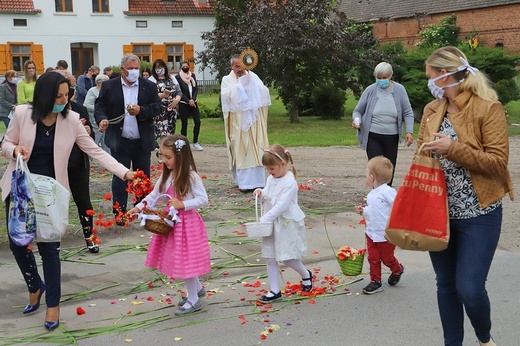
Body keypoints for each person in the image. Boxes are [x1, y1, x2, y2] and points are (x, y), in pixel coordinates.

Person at [0, 71, 134, 331]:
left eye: (66, 95)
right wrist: (14, 150)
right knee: (19, 244)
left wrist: (125, 173)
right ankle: (35, 286)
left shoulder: (71, 120)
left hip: (50, 196)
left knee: (49, 250)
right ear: (44, 95)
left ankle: (53, 305)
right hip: (21, 191)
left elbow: (95, 151)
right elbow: (6, 142)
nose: (64, 100)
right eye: (58, 96)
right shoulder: (22, 115)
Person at [419, 46, 513, 346]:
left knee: (470, 288)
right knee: (446, 285)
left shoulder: (488, 108)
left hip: (479, 213)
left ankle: (484, 338)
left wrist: (453, 150)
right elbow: (421, 155)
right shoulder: (431, 110)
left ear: (449, 76)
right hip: (439, 212)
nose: (430, 83)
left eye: (432, 77)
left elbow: (498, 163)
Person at [128, 134, 211, 315]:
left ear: (180, 156)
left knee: (184, 261)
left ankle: (194, 300)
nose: (164, 160)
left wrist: (183, 204)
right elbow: (153, 197)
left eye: (168, 157)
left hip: (187, 226)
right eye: (161, 156)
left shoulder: (191, 177)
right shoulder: (167, 176)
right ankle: (196, 289)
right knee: (182, 259)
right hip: (173, 225)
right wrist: (138, 208)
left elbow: (203, 199)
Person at [94, 54, 161, 223]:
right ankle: (120, 212)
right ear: (122, 69)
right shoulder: (110, 86)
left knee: (142, 177)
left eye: (136, 68)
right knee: (120, 177)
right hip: (119, 140)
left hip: (142, 141)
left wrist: (141, 111)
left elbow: (157, 107)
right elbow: (100, 106)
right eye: (131, 68)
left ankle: (141, 210)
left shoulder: (148, 86)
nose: (134, 72)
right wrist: (102, 119)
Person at [253, 144, 311, 303]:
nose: (269, 172)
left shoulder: (290, 182)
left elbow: (282, 206)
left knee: (286, 257)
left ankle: (306, 274)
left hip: (285, 223)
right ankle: (274, 290)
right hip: (271, 222)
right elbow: (269, 192)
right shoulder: (272, 178)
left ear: (283, 164)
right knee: (270, 256)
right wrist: (261, 192)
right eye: (267, 169)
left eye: (271, 168)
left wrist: (265, 218)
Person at [55, 70, 99, 253]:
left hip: (78, 163)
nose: (65, 96)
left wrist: (88, 130)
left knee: (84, 202)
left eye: (68, 91)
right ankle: (53, 240)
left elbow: (92, 136)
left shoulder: (79, 109)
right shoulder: (50, 112)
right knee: (56, 202)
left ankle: (90, 237)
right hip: (57, 164)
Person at [352, 62, 414, 186]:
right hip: (373, 135)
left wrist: (409, 131)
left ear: (390, 76)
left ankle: (386, 194)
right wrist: (357, 120)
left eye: (384, 78)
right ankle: (376, 194)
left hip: (392, 136)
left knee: (388, 167)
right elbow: (358, 110)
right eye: (379, 78)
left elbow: (408, 112)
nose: (381, 81)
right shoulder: (370, 90)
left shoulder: (399, 90)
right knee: (376, 167)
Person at [354, 156, 404, 295]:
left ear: (371, 177)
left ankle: (397, 269)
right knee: (373, 258)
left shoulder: (387, 191)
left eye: (366, 174)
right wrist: (363, 211)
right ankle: (375, 281)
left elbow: (398, 205)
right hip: (371, 233)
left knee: (387, 258)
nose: (365, 176)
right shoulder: (371, 195)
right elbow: (373, 211)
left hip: (385, 234)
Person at [221, 55, 271, 192]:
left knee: (256, 148)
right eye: (236, 66)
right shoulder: (227, 80)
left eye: (242, 66)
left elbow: (264, 92)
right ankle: (244, 183)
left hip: (254, 123)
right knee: (241, 149)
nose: (240, 69)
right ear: (232, 66)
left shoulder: (253, 76)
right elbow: (227, 98)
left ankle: (258, 182)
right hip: (238, 123)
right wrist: (241, 85)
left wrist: (251, 84)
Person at [149, 59, 182, 140]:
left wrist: (176, 100)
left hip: (171, 110)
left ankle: (168, 150)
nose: (159, 69)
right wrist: (162, 95)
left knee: (170, 134)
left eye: (161, 67)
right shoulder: (151, 79)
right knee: (162, 133)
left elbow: (179, 91)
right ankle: (162, 150)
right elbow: (149, 95)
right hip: (159, 110)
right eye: (157, 67)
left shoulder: (172, 78)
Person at [175, 60, 203, 151]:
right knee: (184, 124)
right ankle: (184, 143)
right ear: (181, 67)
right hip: (183, 103)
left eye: (187, 66)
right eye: (183, 66)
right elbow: (180, 91)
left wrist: (193, 100)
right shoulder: (178, 77)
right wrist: (188, 101)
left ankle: (195, 142)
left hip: (193, 102)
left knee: (197, 121)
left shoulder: (192, 75)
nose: (185, 68)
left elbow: (195, 88)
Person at [84, 73, 110, 154]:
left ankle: (108, 161)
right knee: (95, 140)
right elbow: (86, 105)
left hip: (106, 119)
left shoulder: (107, 91)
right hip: (94, 120)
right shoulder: (92, 91)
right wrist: (99, 110)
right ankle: (89, 159)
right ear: (99, 82)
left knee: (106, 141)